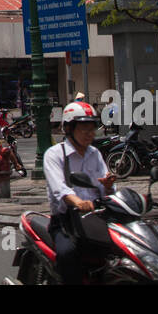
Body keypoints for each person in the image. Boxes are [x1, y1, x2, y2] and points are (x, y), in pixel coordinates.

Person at [43, 101, 117, 285]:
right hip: (66, 222)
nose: (89, 133)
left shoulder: (95, 154)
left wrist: (108, 186)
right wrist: (77, 202)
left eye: (92, 128)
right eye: (84, 128)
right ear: (69, 128)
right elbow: (59, 188)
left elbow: (105, 187)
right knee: (68, 253)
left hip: (95, 219)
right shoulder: (54, 154)